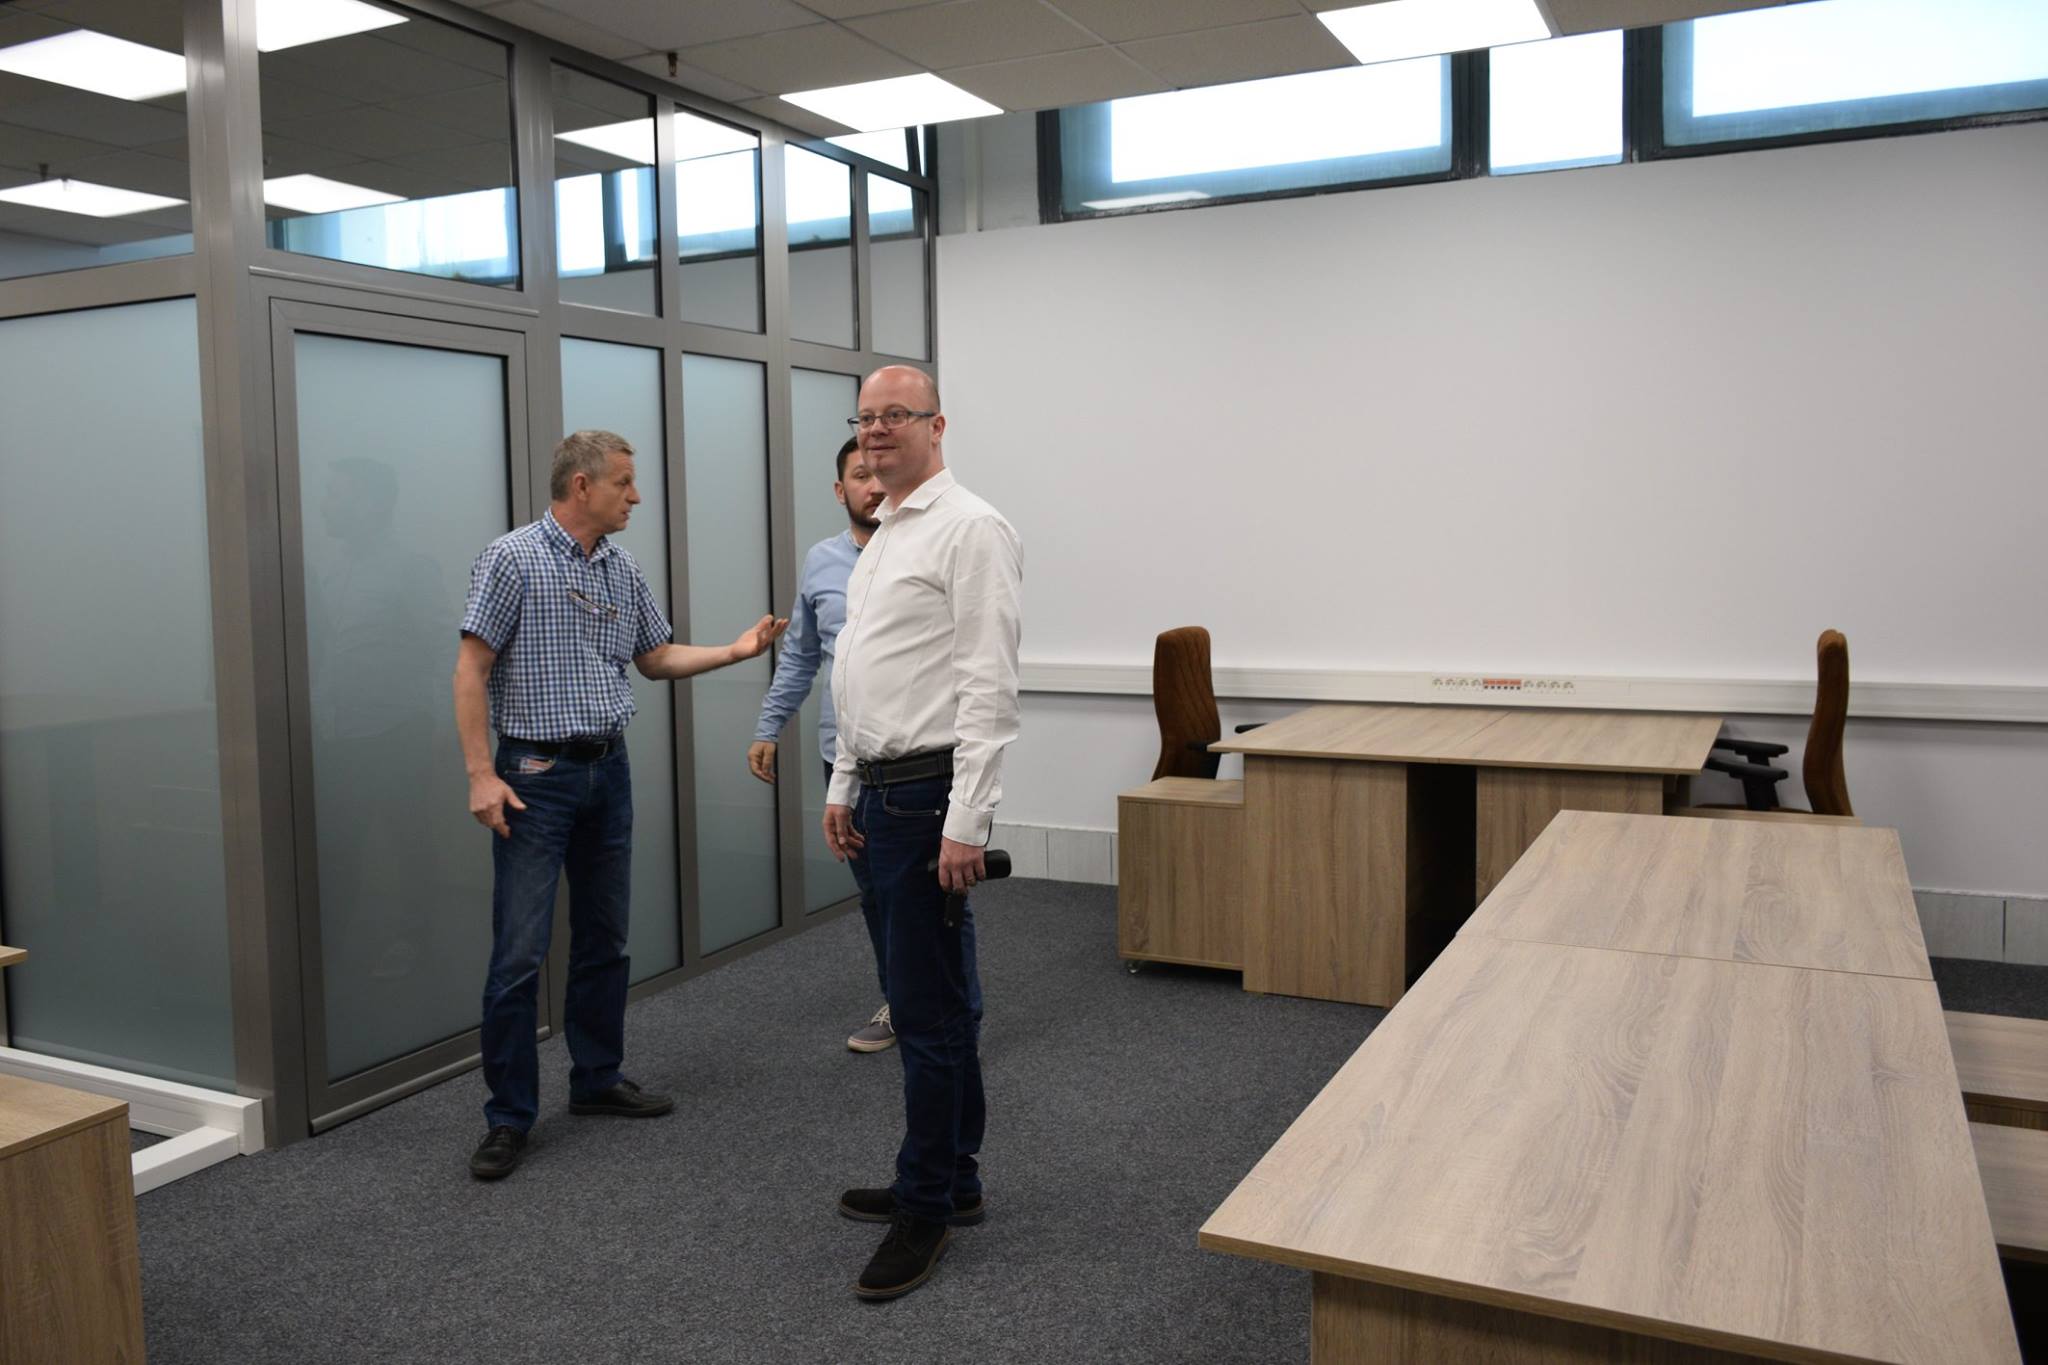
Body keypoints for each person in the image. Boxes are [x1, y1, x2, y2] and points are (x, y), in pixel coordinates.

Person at [454, 429, 786, 1181]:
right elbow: (471, 669)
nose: (636, 496)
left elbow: (654, 657)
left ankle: (597, 1078)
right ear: (582, 485)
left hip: (609, 769)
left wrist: (735, 652)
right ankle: (508, 1116)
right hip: (534, 773)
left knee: (606, 937)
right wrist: (480, 773)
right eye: (624, 483)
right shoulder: (512, 558)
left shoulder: (620, 566)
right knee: (520, 953)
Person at [822, 367, 1023, 1300]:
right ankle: (953, 1176)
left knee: (928, 1013)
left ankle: (928, 1204)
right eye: (865, 418)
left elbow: (988, 686)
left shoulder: (970, 528)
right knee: (926, 1000)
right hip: (878, 795)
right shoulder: (887, 528)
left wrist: (966, 821)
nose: (876, 431)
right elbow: (862, 673)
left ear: (937, 426)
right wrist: (842, 780)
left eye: (894, 416)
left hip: (926, 801)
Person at [747, 438, 895, 1053]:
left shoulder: (922, 551)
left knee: (931, 893)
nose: (873, 485)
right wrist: (768, 726)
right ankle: (901, 1003)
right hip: (843, 759)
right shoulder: (822, 561)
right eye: (860, 475)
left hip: (912, 760)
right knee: (875, 892)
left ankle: (951, 1012)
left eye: (880, 472)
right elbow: (802, 655)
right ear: (841, 490)